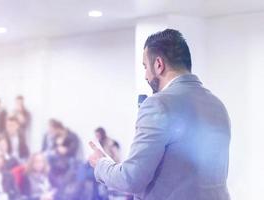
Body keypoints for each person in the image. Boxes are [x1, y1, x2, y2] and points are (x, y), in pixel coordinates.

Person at [89, 29, 231, 200]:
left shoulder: (158, 104)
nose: (146, 76)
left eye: (145, 67)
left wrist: (101, 163)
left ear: (158, 64)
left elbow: (131, 179)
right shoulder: (217, 105)